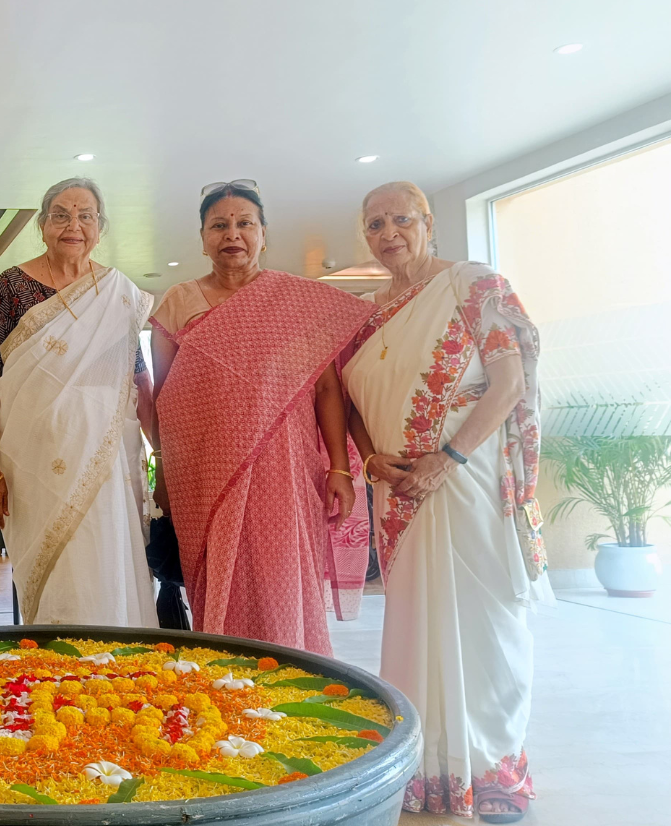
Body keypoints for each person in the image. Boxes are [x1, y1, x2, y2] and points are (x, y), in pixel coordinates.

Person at [343, 182, 552, 823]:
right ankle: (426, 768)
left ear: (428, 222)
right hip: (398, 493)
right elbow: (350, 403)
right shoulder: (371, 313)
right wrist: (371, 458)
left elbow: (508, 380)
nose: (388, 234)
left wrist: (449, 457)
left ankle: (491, 766)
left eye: (400, 219)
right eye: (374, 224)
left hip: (467, 481)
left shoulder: (473, 285)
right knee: (415, 622)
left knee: (486, 622)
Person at [150, 180, 374, 654]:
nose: (232, 234)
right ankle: (224, 680)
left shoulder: (298, 302)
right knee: (216, 579)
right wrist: (164, 473)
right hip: (205, 471)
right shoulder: (177, 303)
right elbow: (166, 402)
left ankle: (292, 668)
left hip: (286, 469)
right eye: (219, 225)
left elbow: (327, 389)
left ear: (264, 233)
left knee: (283, 576)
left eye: (244, 223)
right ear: (204, 237)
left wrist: (338, 465)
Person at [0, 177, 158, 628]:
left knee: (103, 553)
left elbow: (138, 378)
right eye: (60, 214)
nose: (72, 225)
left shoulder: (119, 293)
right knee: (53, 566)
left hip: (104, 461)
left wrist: (163, 458)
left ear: (101, 227)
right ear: (42, 226)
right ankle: (54, 666)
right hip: (33, 462)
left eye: (85, 216)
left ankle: (110, 661)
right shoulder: (13, 286)